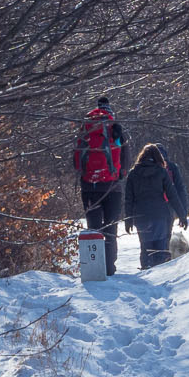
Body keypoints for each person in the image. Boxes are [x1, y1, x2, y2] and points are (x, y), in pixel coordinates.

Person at [72, 96, 129, 275]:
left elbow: (76, 161)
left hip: (89, 187)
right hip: (112, 187)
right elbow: (125, 157)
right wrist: (120, 175)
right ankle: (109, 268)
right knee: (111, 227)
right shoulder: (116, 129)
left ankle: (94, 269)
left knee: (94, 228)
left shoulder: (86, 128)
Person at [122, 143, 189, 269]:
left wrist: (128, 220)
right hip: (160, 215)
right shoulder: (161, 172)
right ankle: (159, 273)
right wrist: (182, 215)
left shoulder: (133, 174)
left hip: (140, 215)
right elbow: (173, 195)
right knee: (160, 246)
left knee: (145, 246)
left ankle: (146, 269)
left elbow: (129, 200)